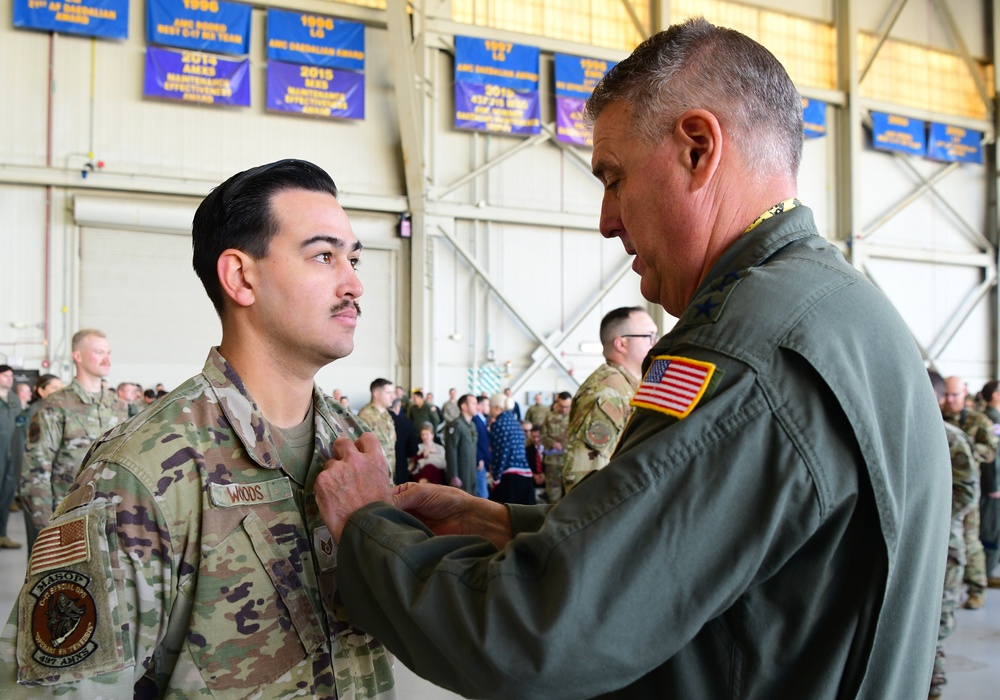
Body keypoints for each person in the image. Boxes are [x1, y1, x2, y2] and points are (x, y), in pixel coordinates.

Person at [312, 20, 949, 699]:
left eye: (614, 178)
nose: (607, 219)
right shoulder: (846, 310)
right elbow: (747, 570)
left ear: (698, 149)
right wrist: (501, 523)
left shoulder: (745, 352)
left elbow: (534, 636)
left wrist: (365, 529)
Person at [0, 160, 395, 697]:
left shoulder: (352, 448)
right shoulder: (142, 473)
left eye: (352, 258)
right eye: (324, 256)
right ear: (240, 277)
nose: (355, 283)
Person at [21, 329, 128, 540]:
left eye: (108, 352)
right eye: (99, 352)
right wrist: (45, 528)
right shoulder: (56, 405)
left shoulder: (117, 406)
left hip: (108, 520)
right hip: (65, 518)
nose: (106, 359)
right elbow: (36, 470)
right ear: (77, 356)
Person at [562, 306, 656, 492]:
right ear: (621, 344)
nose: (656, 342)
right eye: (649, 336)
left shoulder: (627, 387)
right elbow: (585, 477)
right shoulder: (607, 393)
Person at [928, 371, 979, 697]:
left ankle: (932, 689)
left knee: (936, 628)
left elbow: (966, 493)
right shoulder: (894, 431)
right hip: (904, 548)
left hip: (944, 546)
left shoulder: (951, 438)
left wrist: (929, 522)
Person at [942, 375, 997, 609]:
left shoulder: (978, 420)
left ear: (964, 393)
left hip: (967, 489)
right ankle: (948, 593)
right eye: (947, 394)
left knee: (970, 541)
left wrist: (965, 448)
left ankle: (976, 589)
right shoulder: (939, 417)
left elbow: (991, 451)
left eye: (955, 394)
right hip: (944, 489)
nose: (950, 399)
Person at [11, 374, 63, 555]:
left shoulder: (57, 413)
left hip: (55, 489)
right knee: (40, 551)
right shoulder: (33, 414)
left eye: (61, 387)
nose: (60, 391)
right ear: (41, 391)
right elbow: (21, 455)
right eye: (54, 388)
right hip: (37, 489)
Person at [487, 394, 535, 505]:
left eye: (490, 407)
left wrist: (496, 477)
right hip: (525, 474)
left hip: (510, 477)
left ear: (497, 407)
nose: (489, 411)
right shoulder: (516, 423)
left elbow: (501, 452)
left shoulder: (498, 424)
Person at [977, 379, 1000, 588]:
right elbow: (993, 457)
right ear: (995, 395)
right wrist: (994, 485)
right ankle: (988, 573)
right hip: (992, 488)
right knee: (991, 529)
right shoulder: (992, 420)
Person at [0, 365, 22, 549]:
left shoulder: (14, 399)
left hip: (11, 453)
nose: (10, 379)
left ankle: (2, 534)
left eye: (11, 376)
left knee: (7, 494)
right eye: (5, 376)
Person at [539, 391, 571, 503]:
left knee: (571, 494)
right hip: (553, 462)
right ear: (557, 402)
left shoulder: (576, 417)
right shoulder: (549, 417)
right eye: (562, 406)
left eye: (567, 407)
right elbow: (542, 436)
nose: (564, 410)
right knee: (553, 495)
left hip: (570, 461)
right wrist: (552, 443)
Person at [358, 378, 397, 471]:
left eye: (393, 393)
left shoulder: (387, 415)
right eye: (388, 393)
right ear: (376, 394)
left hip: (390, 469)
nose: (393, 397)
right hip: (375, 471)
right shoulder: (365, 416)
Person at [443, 394, 477, 493]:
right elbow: (451, 451)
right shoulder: (456, 425)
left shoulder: (472, 425)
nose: (477, 406)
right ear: (464, 406)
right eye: (473, 403)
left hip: (471, 469)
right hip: (461, 471)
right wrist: (453, 475)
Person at [389, 397, 418, 486]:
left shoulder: (373, 422)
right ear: (398, 407)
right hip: (400, 466)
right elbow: (413, 449)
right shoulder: (406, 423)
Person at [473, 396, 491, 498]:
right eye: (487, 405)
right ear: (479, 406)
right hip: (480, 462)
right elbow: (474, 442)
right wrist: (479, 458)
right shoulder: (476, 420)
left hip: (484, 461)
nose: (489, 407)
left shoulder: (482, 420)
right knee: (482, 495)